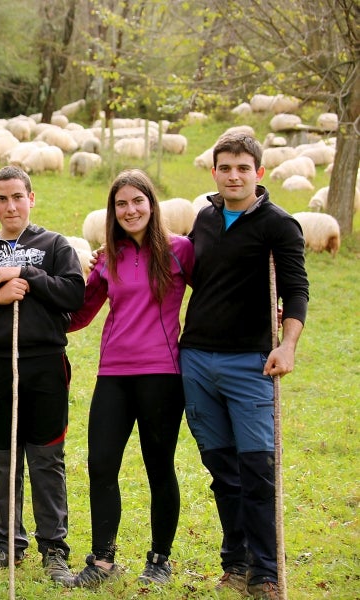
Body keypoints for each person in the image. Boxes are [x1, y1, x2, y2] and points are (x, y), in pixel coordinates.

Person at [180, 133, 308, 600]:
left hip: (250, 363)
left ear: (259, 172)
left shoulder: (280, 225)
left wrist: (288, 344)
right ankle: (235, 561)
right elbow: (188, 272)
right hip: (195, 357)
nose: (233, 175)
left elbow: (295, 291)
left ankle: (266, 572)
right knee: (221, 468)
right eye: (225, 167)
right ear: (213, 171)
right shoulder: (205, 218)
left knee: (256, 468)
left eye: (242, 168)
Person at [0, 165, 84, 581]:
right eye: (1, 199)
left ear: (31, 198)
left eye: (17, 197)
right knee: (3, 459)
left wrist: (26, 273)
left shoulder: (55, 245)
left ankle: (54, 547)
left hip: (44, 364)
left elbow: (73, 293)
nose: (10, 206)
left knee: (46, 457)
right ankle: (7, 542)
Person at [60, 169, 194, 588]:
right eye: (122, 204)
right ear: (112, 212)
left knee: (159, 466)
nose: (130, 209)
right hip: (113, 374)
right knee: (100, 464)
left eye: (138, 201)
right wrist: (30, 308)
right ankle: (102, 561)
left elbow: (214, 295)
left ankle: (160, 559)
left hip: (162, 375)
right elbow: (80, 314)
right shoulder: (108, 258)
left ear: (151, 205)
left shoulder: (180, 250)